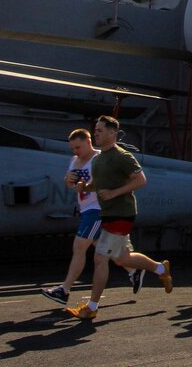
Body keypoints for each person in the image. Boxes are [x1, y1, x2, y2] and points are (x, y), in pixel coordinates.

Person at [63, 116, 172, 320]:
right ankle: (160, 268)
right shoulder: (100, 158)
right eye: (95, 130)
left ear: (112, 133)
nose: (96, 133)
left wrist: (115, 193)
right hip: (105, 213)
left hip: (121, 213)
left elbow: (140, 180)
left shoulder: (122, 156)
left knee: (100, 257)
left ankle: (92, 307)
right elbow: (100, 183)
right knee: (122, 258)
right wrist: (85, 187)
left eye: (100, 130)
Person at [40, 129, 101, 304]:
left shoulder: (99, 159)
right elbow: (70, 185)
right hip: (85, 208)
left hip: (97, 209)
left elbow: (104, 184)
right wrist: (68, 180)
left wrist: (86, 185)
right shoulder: (74, 160)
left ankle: (64, 290)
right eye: (73, 148)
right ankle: (145, 269)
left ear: (88, 142)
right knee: (115, 253)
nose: (75, 151)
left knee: (79, 248)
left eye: (78, 147)